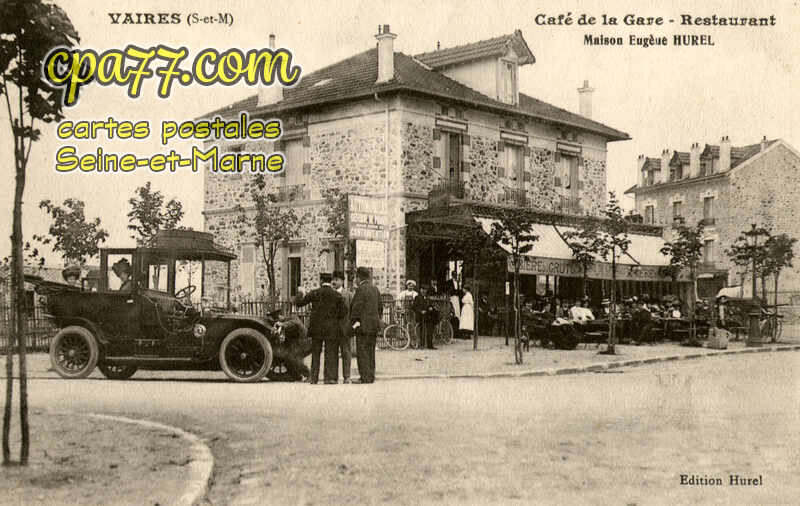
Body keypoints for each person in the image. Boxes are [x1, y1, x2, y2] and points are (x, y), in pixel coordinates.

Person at [294, 273, 348, 384]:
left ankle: (314, 378)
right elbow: (344, 311)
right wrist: (334, 318)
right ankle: (330, 378)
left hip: (316, 328)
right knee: (331, 353)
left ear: (321, 281)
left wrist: (300, 292)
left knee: (316, 353)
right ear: (331, 281)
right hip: (331, 328)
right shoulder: (336, 295)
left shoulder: (314, 293)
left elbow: (299, 303)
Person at [349, 266, 382, 383]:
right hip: (373, 326)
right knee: (371, 352)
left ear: (359, 277)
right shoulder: (375, 289)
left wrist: (353, 323)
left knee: (362, 352)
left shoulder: (360, 290)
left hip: (362, 326)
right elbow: (380, 308)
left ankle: (364, 377)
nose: (355, 280)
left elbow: (356, 308)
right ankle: (371, 375)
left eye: (355, 278)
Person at [332, 270, 353, 383]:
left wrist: (351, 325)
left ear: (342, 281)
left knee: (346, 352)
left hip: (345, 328)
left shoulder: (348, 295)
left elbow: (353, 311)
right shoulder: (330, 293)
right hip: (332, 329)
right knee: (333, 353)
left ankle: (347, 376)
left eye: (337, 280)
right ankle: (333, 377)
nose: (334, 282)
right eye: (333, 280)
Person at [412, 284, 438, 349]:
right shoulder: (417, 297)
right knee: (422, 329)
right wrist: (420, 311)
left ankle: (430, 345)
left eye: (425, 290)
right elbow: (414, 307)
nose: (424, 291)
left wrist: (431, 308)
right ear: (420, 290)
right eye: (422, 289)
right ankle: (422, 344)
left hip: (428, 316)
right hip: (421, 316)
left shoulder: (427, 298)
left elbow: (430, 305)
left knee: (430, 329)